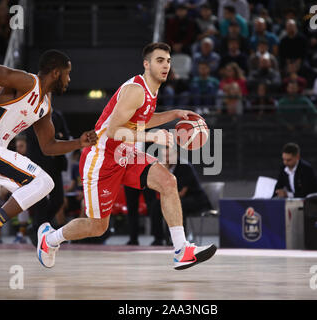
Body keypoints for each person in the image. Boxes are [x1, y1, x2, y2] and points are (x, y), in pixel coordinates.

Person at [36, 42, 217, 271]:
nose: (166, 66)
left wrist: (174, 114)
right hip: (101, 158)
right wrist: (152, 138)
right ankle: (50, 239)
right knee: (97, 226)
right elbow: (113, 131)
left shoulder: (152, 90)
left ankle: (182, 251)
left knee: (168, 181)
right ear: (146, 64)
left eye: (168, 61)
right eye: (160, 61)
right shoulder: (136, 90)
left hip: (125, 153)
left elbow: (141, 119)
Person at [0, 49, 97, 269]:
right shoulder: (26, 82)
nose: (69, 79)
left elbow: (49, 146)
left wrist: (78, 143)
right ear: (55, 73)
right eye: (67, 73)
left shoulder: (45, 105)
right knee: (43, 182)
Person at [25, 107, 71, 247]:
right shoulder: (32, 115)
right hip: (38, 166)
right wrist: (56, 137)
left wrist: (55, 138)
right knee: (40, 202)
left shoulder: (57, 114)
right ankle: (39, 234)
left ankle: (37, 227)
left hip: (55, 164)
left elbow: (66, 136)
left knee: (58, 200)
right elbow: (38, 140)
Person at [150, 146, 211, 245]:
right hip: (177, 198)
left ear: (176, 154)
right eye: (165, 156)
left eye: (169, 155)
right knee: (156, 205)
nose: (167, 158)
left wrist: (166, 200)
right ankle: (158, 238)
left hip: (195, 199)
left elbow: (182, 192)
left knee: (174, 205)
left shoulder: (185, 166)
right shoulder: (162, 167)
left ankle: (176, 239)